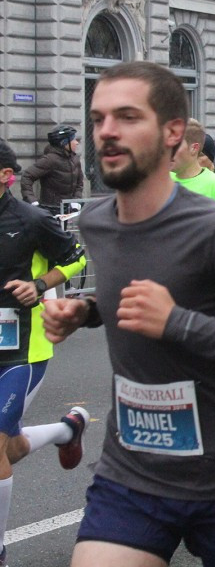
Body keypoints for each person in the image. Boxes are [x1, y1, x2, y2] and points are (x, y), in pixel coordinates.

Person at [41, 61, 215, 567]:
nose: (107, 131)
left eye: (127, 116)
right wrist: (83, 310)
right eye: (99, 117)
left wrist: (179, 323)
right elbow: (128, 293)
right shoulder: (97, 221)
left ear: (173, 133)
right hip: (132, 468)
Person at [0, 138, 89, 566]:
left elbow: (76, 258)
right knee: (8, 448)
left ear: (5, 176)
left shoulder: (30, 220)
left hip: (22, 351)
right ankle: (66, 430)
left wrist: (37, 286)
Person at [20, 125, 84, 215]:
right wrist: (32, 201)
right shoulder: (50, 160)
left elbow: (79, 183)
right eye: (73, 139)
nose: (76, 143)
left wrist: (76, 201)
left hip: (66, 209)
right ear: (64, 143)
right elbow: (27, 176)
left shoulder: (75, 159)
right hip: (50, 210)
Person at [170, 119, 215, 200]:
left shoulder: (214, 184)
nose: (169, 151)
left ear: (194, 148)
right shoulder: (163, 180)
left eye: (176, 145)